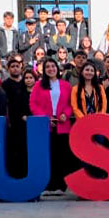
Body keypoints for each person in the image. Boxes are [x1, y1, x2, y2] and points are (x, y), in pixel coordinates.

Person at [31, 59, 73, 196]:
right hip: (46, 125)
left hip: (62, 124)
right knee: (48, 155)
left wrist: (65, 115)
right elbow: (33, 104)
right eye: (47, 67)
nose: (50, 69)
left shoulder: (66, 85)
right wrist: (46, 118)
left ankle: (61, 185)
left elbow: (70, 104)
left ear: (57, 68)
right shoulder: (38, 85)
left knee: (62, 155)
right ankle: (49, 185)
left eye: (53, 66)